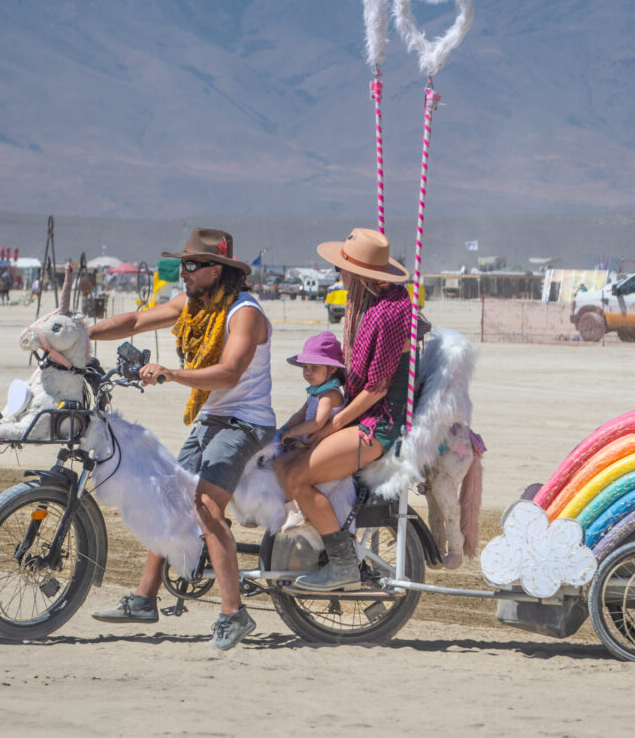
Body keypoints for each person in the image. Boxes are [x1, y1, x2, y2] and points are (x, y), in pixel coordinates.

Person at [88, 228, 275, 651]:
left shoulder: (243, 312)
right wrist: (82, 333)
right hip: (212, 418)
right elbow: (136, 320)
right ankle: (144, 599)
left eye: (191, 265)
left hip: (246, 422)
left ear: (217, 270)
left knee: (205, 507)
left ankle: (234, 613)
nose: (182, 272)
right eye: (181, 264)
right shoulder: (194, 305)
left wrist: (171, 374)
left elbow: (230, 372)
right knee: (168, 496)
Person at [278, 228, 411, 591]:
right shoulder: (373, 302)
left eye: (344, 268)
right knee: (283, 465)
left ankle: (342, 565)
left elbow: (377, 387)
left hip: (376, 423)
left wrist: (333, 423)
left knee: (296, 477)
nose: (340, 274)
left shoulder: (388, 314)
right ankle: (317, 534)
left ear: (362, 273)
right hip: (362, 414)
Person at [271, 333, 345, 478]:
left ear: (332, 369)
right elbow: (300, 415)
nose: (308, 372)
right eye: (305, 367)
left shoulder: (329, 395)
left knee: (280, 464)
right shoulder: (317, 392)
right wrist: (284, 429)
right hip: (306, 442)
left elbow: (317, 423)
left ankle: (288, 498)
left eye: (314, 367)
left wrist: (291, 433)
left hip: (317, 444)